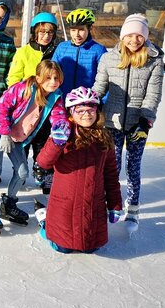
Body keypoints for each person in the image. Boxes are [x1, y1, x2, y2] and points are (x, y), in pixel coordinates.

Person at [93, 13, 164, 233]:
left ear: (145, 37)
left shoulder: (154, 60)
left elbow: (153, 94)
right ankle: (109, 206)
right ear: (122, 36)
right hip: (111, 123)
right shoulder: (108, 58)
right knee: (110, 167)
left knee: (133, 168)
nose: (134, 40)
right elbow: (99, 87)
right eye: (130, 35)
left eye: (139, 36)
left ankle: (132, 209)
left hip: (138, 124)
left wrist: (145, 121)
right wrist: (89, 107)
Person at [0, 60, 69, 234]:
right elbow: (1, 107)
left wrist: (61, 130)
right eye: (48, 78)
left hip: (17, 135)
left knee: (22, 172)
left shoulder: (55, 96)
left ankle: (9, 204)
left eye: (56, 78)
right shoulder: (23, 88)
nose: (53, 82)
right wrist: (5, 133)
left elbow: (59, 116)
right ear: (38, 78)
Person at [34, 87, 123, 253]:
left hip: (92, 205)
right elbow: (44, 162)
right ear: (71, 113)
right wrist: (56, 142)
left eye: (90, 110)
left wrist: (115, 205)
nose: (86, 114)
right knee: (63, 248)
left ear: (97, 111)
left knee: (90, 248)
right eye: (80, 110)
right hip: (64, 206)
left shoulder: (104, 138)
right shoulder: (63, 133)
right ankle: (45, 222)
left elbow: (111, 175)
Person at [7, 11, 60, 192]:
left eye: (50, 33)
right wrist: (26, 94)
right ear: (35, 32)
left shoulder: (56, 53)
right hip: (27, 107)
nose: (46, 36)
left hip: (46, 107)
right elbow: (13, 79)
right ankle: (19, 174)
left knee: (44, 142)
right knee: (25, 140)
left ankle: (43, 173)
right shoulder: (23, 53)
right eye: (42, 32)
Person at [51, 8, 107, 96]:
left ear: (90, 28)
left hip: (87, 102)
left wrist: (100, 102)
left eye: (81, 30)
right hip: (62, 99)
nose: (76, 34)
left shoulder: (99, 50)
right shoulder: (62, 47)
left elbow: (105, 80)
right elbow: (52, 72)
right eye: (73, 30)